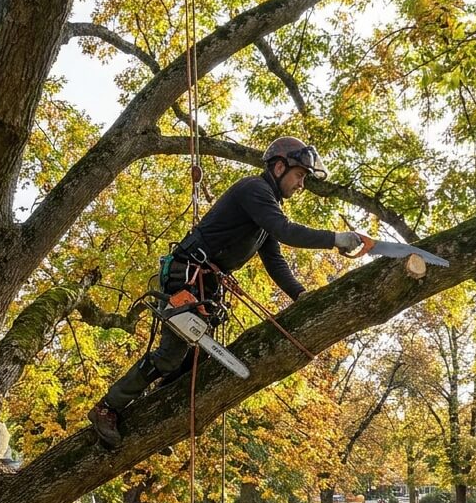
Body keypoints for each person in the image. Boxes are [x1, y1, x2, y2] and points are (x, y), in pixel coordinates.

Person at [87, 137, 361, 447]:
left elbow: (274, 260)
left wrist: (300, 295)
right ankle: (107, 407)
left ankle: (157, 419)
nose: (300, 184)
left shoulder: (265, 210)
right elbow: (286, 231)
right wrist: (335, 238)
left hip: (206, 286)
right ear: (280, 166)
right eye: (299, 175)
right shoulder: (254, 190)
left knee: (194, 362)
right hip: (188, 276)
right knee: (169, 357)